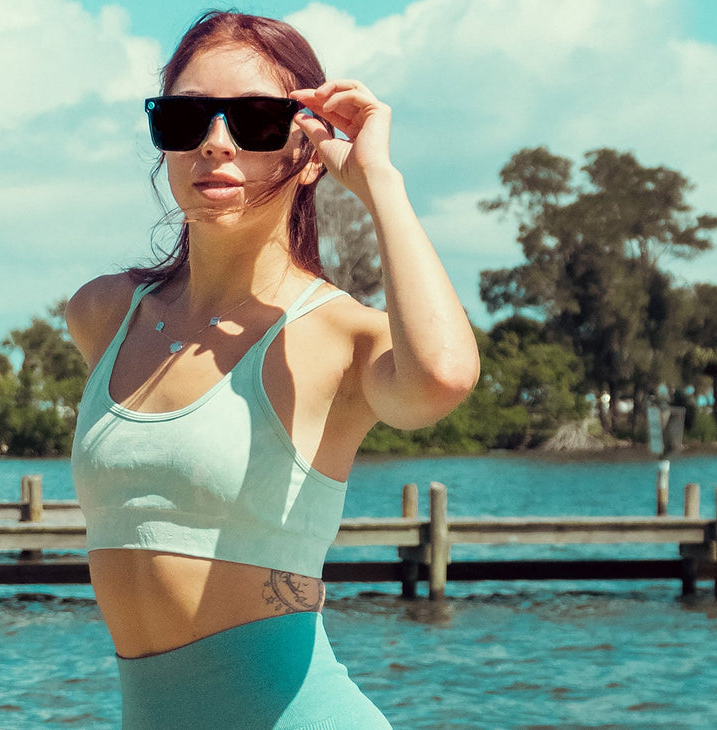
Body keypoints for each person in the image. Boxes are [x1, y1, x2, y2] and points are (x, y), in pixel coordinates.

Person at [67, 11, 479, 729]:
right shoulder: (105, 314)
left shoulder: (336, 336)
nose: (215, 144)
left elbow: (440, 377)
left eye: (256, 121)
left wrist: (378, 181)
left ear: (309, 148)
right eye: (185, 117)